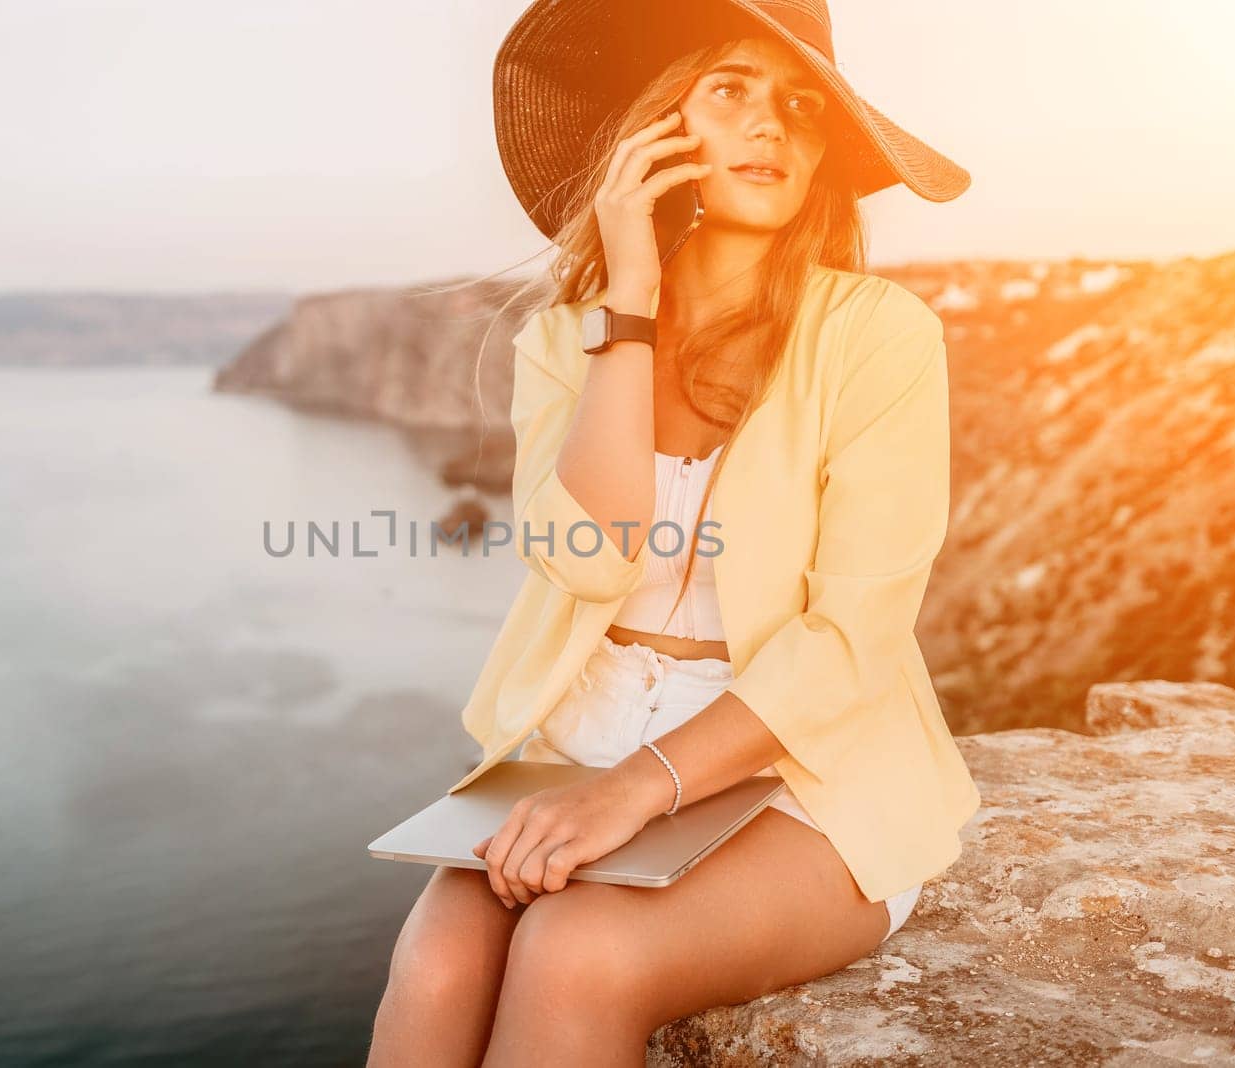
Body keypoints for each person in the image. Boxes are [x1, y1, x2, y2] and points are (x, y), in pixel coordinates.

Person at [369, 1, 982, 1064]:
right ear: (661, 132)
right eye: (730, 91)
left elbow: (851, 638)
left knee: (576, 951)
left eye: (800, 104)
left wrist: (634, 789)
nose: (771, 127)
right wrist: (632, 309)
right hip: (584, 732)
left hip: (801, 766)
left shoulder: (876, 335)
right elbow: (586, 559)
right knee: (436, 963)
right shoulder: (569, 340)